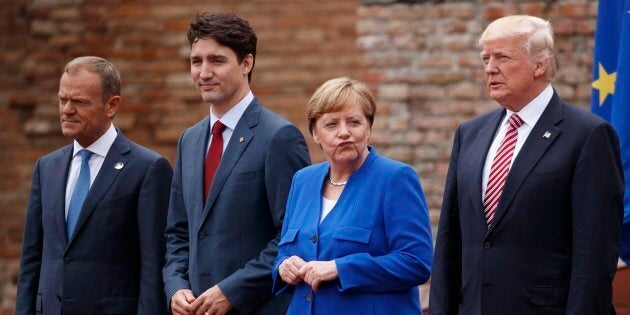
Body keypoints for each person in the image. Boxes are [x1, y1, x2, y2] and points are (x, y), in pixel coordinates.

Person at [429, 15, 624, 314]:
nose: (490, 68)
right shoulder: (470, 134)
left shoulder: (588, 135)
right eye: (485, 59)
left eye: (502, 57)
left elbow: (594, 258)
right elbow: (449, 243)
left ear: (540, 64)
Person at [163, 12, 311, 315]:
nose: (204, 72)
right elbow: (178, 232)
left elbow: (292, 236)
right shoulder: (189, 141)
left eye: (217, 61)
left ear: (247, 63)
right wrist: (176, 286)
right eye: (196, 61)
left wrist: (232, 292)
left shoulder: (279, 138)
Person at [15, 56, 173, 315]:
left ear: (112, 105)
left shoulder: (148, 169)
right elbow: (32, 259)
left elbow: (153, 267)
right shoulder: (46, 167)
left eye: (79, 102)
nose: (66, 110)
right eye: (62, 99)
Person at [272, 77, 433, 314]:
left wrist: (340, 268)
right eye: (331, 124)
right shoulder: (303, 180)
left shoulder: (395, 178)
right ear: (315, 134)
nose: (344, 132)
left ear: (369, 127)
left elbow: (415, 263)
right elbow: (285, 252)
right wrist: (283, 267)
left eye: (354, 122)